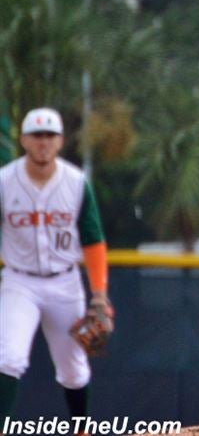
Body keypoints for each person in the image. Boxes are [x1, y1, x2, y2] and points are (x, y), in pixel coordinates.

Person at [0, 107, 112, 420]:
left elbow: (93, 240)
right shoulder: (4, 182)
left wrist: (99, 296)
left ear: (60, 141)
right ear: (23, 139)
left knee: (74, 369)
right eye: (36, 135)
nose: (43, 142)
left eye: (50, 135)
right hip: (19, 281)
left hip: (65, 282)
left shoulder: (76, 183)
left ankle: (81, 428)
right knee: (8, 357)